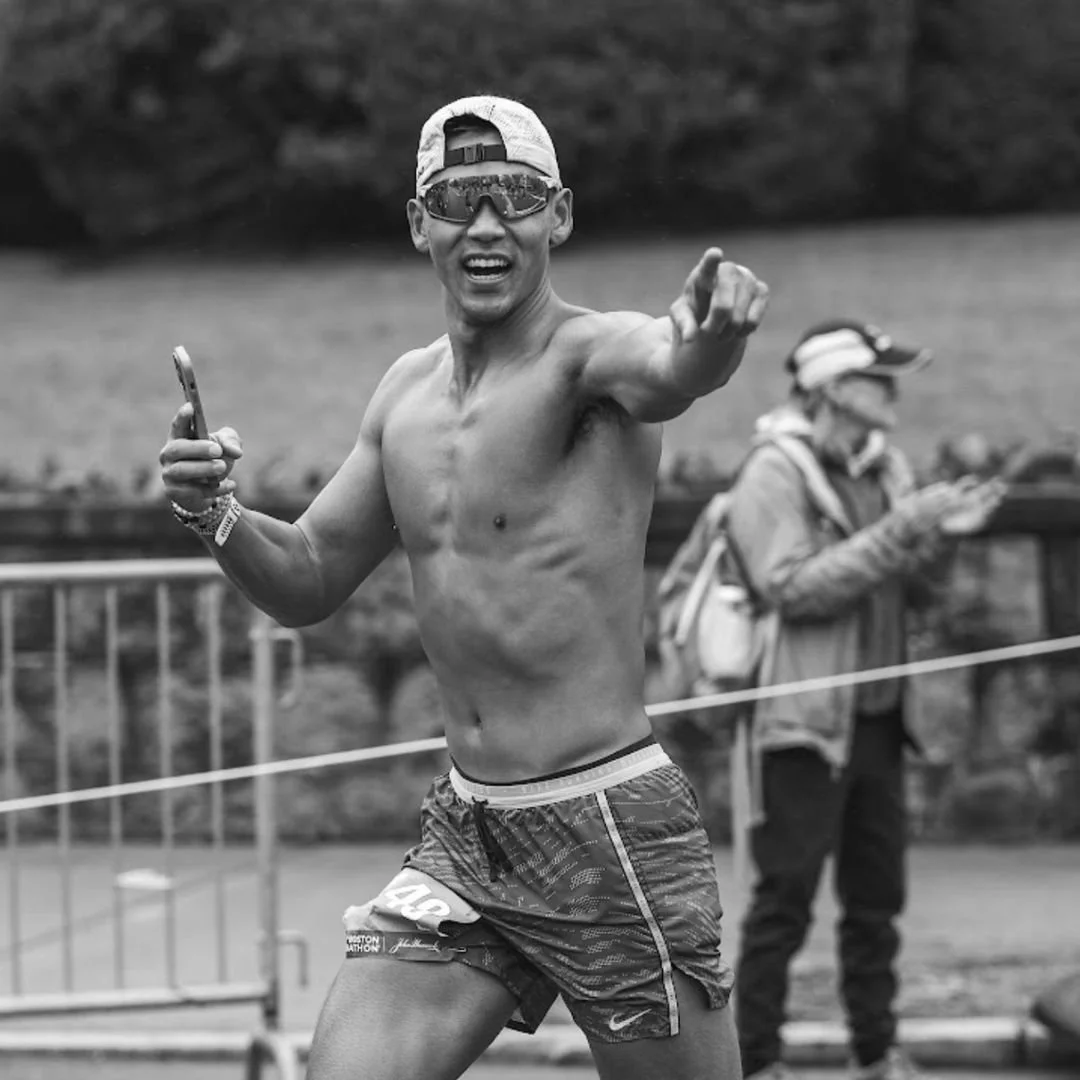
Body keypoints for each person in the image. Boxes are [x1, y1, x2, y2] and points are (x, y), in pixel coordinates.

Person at [159, 94, 770, 1080]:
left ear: (557, 215)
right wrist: (215, 514)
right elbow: (309, 577)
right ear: (419, 225)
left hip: (607, 824)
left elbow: (672, 365)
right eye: (457, 201)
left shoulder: (589, 358)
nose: (486, 226)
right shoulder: (404, 394)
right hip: (471, 835)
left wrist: (715, 333)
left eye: (514, 197)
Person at [722, 319, 1006, 1080]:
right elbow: (793, 589)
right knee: (783, 901)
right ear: (834, 389)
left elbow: (916, 591)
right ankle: (756, 1061)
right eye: (879, 380)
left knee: (876, 903)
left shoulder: (887, 467)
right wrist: (901, 528)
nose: (893, 393)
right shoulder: (772, 473)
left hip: (881, 720)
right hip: (802, 723)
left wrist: (940, 537)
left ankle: (876, 1053)